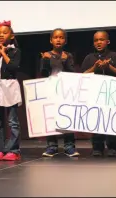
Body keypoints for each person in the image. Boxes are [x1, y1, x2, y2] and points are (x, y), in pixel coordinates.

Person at [81, 30, 116, 157]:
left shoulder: (114, 55)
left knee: (110, 119)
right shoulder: (89, 57)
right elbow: (83, 74)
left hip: (111, 94)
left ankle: (113, 146)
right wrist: (94, 68)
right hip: (95, 93)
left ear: (107, 41)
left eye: (101, 40)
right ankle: (97, 146)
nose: (99, 42)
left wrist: (108, 66)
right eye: (96, 40)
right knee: (97, 120)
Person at [40, 28, 80, 157]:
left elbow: (71, 73)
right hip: (51, 90)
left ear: (65, 40)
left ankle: (69, 146)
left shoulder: (68, 56)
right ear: (51, 40)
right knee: (51, 118)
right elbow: (43, 74)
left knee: (67, 117)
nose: (58, 39)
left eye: (61, 37)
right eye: (56, 37)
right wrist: (46, 61)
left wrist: (64, 61)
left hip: (65, 91)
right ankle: (52, 146)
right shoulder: (46, 55)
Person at [0, 20, 22, 161]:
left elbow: (14, 67)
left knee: (12, 121)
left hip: (10, 86)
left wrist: (5, 53)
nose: (1, 35)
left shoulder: (15, 51)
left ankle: (14, 150)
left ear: (12, 35)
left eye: (4, 33)